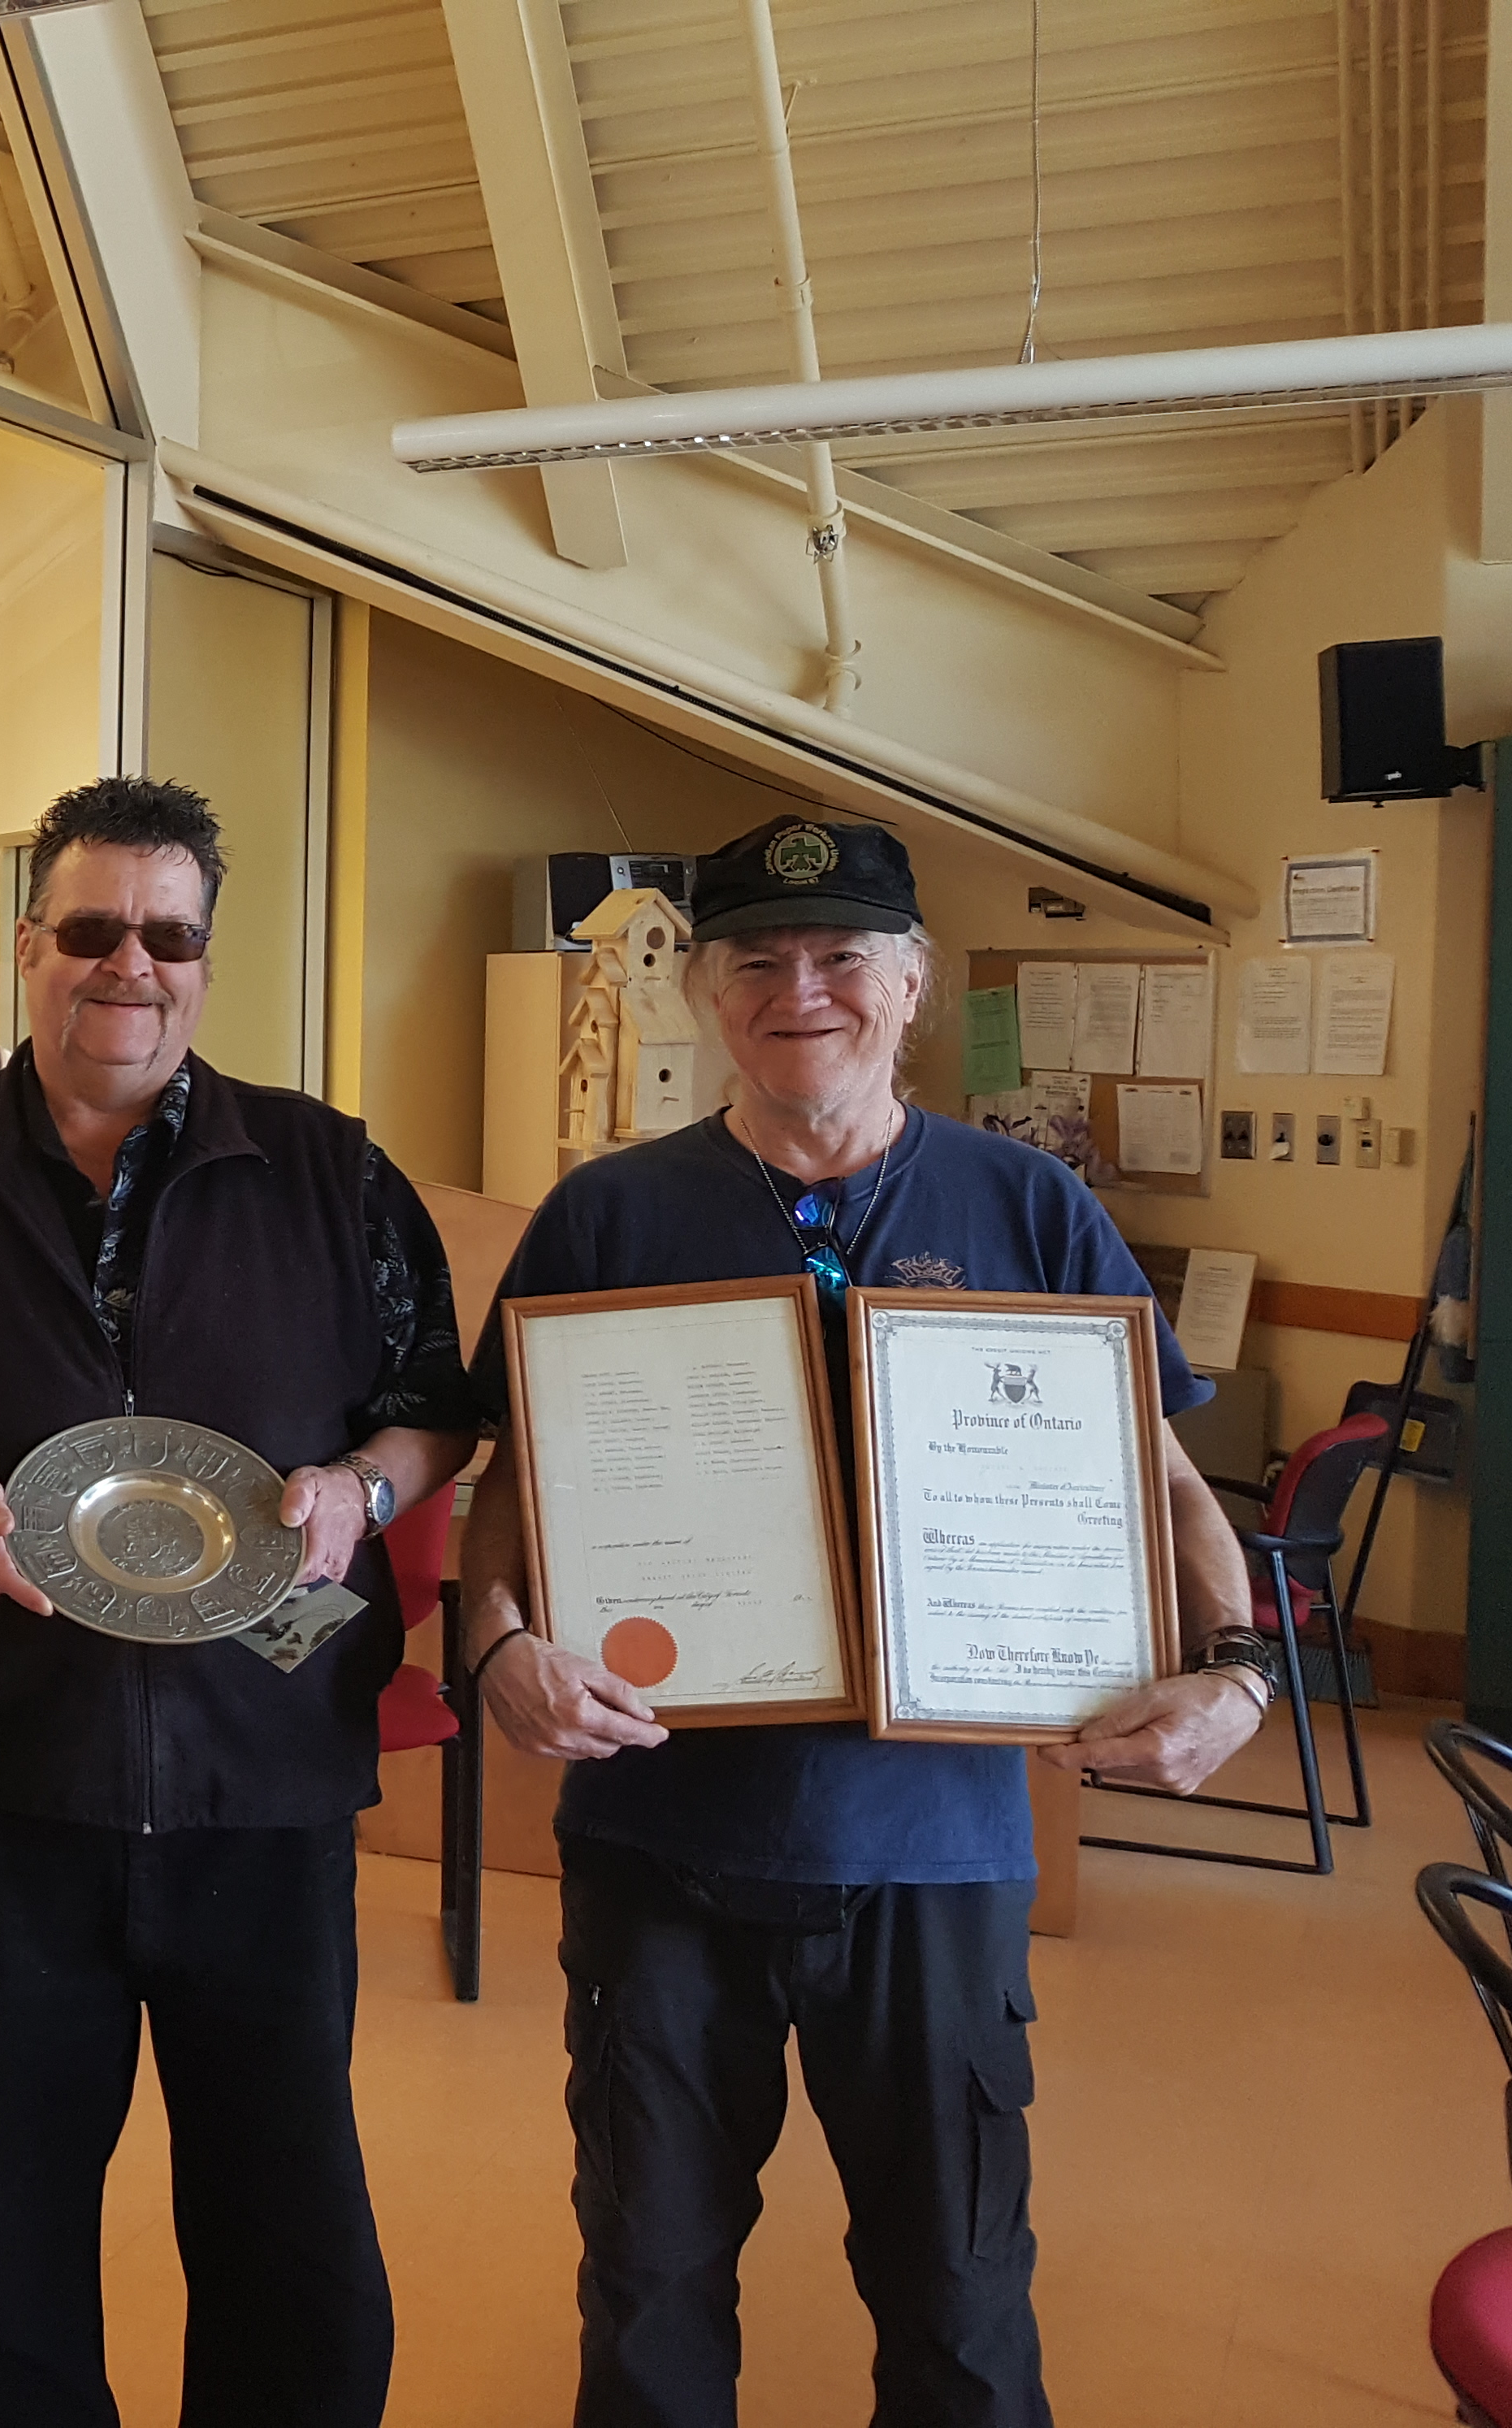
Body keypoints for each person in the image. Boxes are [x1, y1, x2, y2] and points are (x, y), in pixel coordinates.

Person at [456, 814, 1265, 2428]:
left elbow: (1166, 1485)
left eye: (840, 957)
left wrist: (1239, 1674)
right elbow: (508, 1487)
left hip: (936, 1856)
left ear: (910, 983)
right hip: (663, 1848)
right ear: (704, 994)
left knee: (958, 2295)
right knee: (649, 2285)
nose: (798, 990)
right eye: (756, 960)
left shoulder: (1027, 1207)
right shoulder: (606, 1217)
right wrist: (492, 1648)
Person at [0, 774, 479, 2428]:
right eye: (90, 931)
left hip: (265, 1782)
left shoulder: (327, 1172)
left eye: (165, 936)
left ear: (204, 961)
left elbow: (437, 1404)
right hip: (10, 1782)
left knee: (283, 2216)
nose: (125, 966)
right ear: (27, 949)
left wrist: (359, 1488)